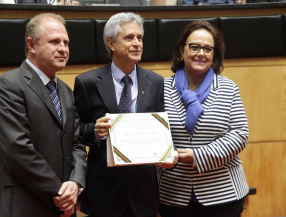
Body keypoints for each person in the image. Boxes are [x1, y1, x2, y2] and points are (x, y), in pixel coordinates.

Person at [73, 12, 175, 217]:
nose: (137, 43)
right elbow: (74, 131)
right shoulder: (88, 82)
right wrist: (94, 130)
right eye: (129, 37)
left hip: (143, 190)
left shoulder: (155, 81)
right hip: (104, 190)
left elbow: (161, 128)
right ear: (110, 43)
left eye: (140, 38)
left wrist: (165, 153)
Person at [0, 13, 87, 217]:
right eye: (54, 42)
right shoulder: (8, 85)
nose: (63, 49)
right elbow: (18, 150)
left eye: (66, 42)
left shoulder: (66, 91)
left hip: (63, 207)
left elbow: (76, 144)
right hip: (25, 205)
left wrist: (76, 183)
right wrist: (60, 191)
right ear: (31, 45)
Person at [158, 20, 249, 217]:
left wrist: (197, 156)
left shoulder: (228, 88)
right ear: (181, 50)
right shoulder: (161, 88)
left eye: (208, 49)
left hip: (223, 195)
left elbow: (240, 135)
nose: (201, 53)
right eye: (195, 47)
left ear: (214, 55)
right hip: (173, 194)